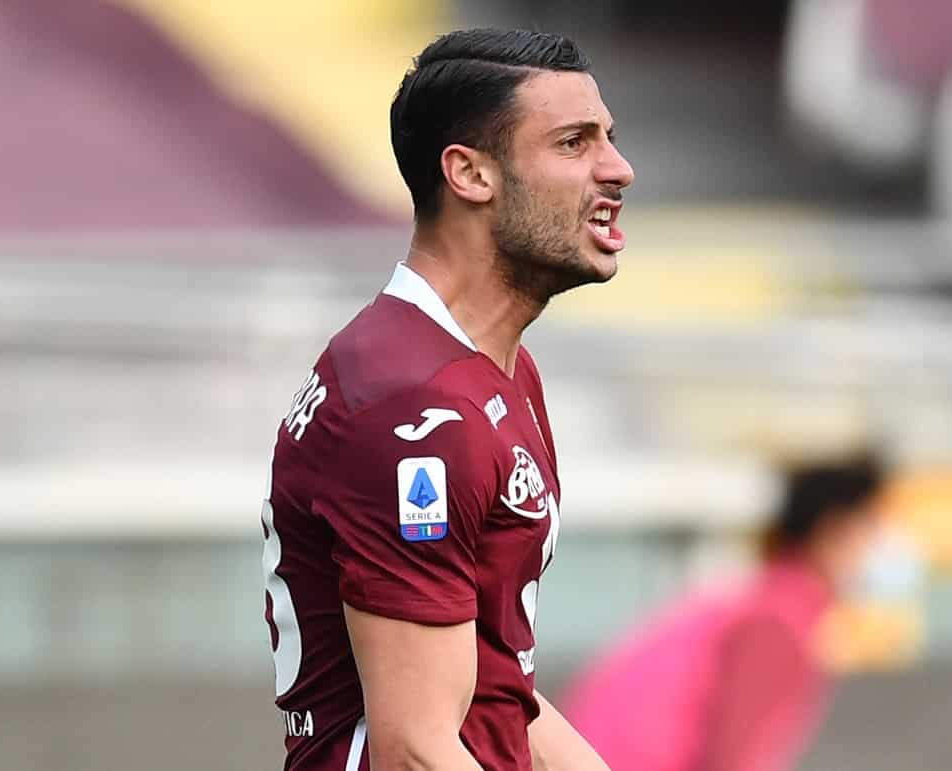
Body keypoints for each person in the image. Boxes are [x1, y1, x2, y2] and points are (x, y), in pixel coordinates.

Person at [259, 28, 634, 771]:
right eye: (573, 143)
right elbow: (416, 750)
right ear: (469, 174)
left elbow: (499, 689)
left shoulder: (492, 373)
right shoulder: (413, 409)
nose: (617, 168)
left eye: (608, 138)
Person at [561, 453, 890, 771]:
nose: (885, 545)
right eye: (874, 528)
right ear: (834, 531)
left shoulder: (755, 596)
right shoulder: (779, 621)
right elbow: (732, 761)